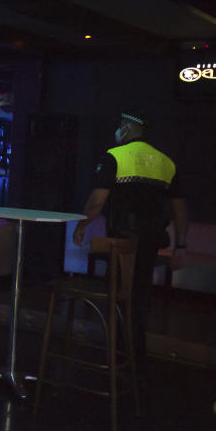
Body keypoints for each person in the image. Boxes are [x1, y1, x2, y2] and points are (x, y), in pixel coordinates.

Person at [72, 110, 188, 360]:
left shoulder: (116, 155)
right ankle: (136, 353)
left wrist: (81, 225)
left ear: (125, 129)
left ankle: (116, 353)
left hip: (121, 240)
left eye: (120, 125)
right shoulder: (166, 162)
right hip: (151, 240)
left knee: (118, 293)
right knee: (140, 294)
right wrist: (181, 245)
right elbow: (180, 208)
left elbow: (97, 200)